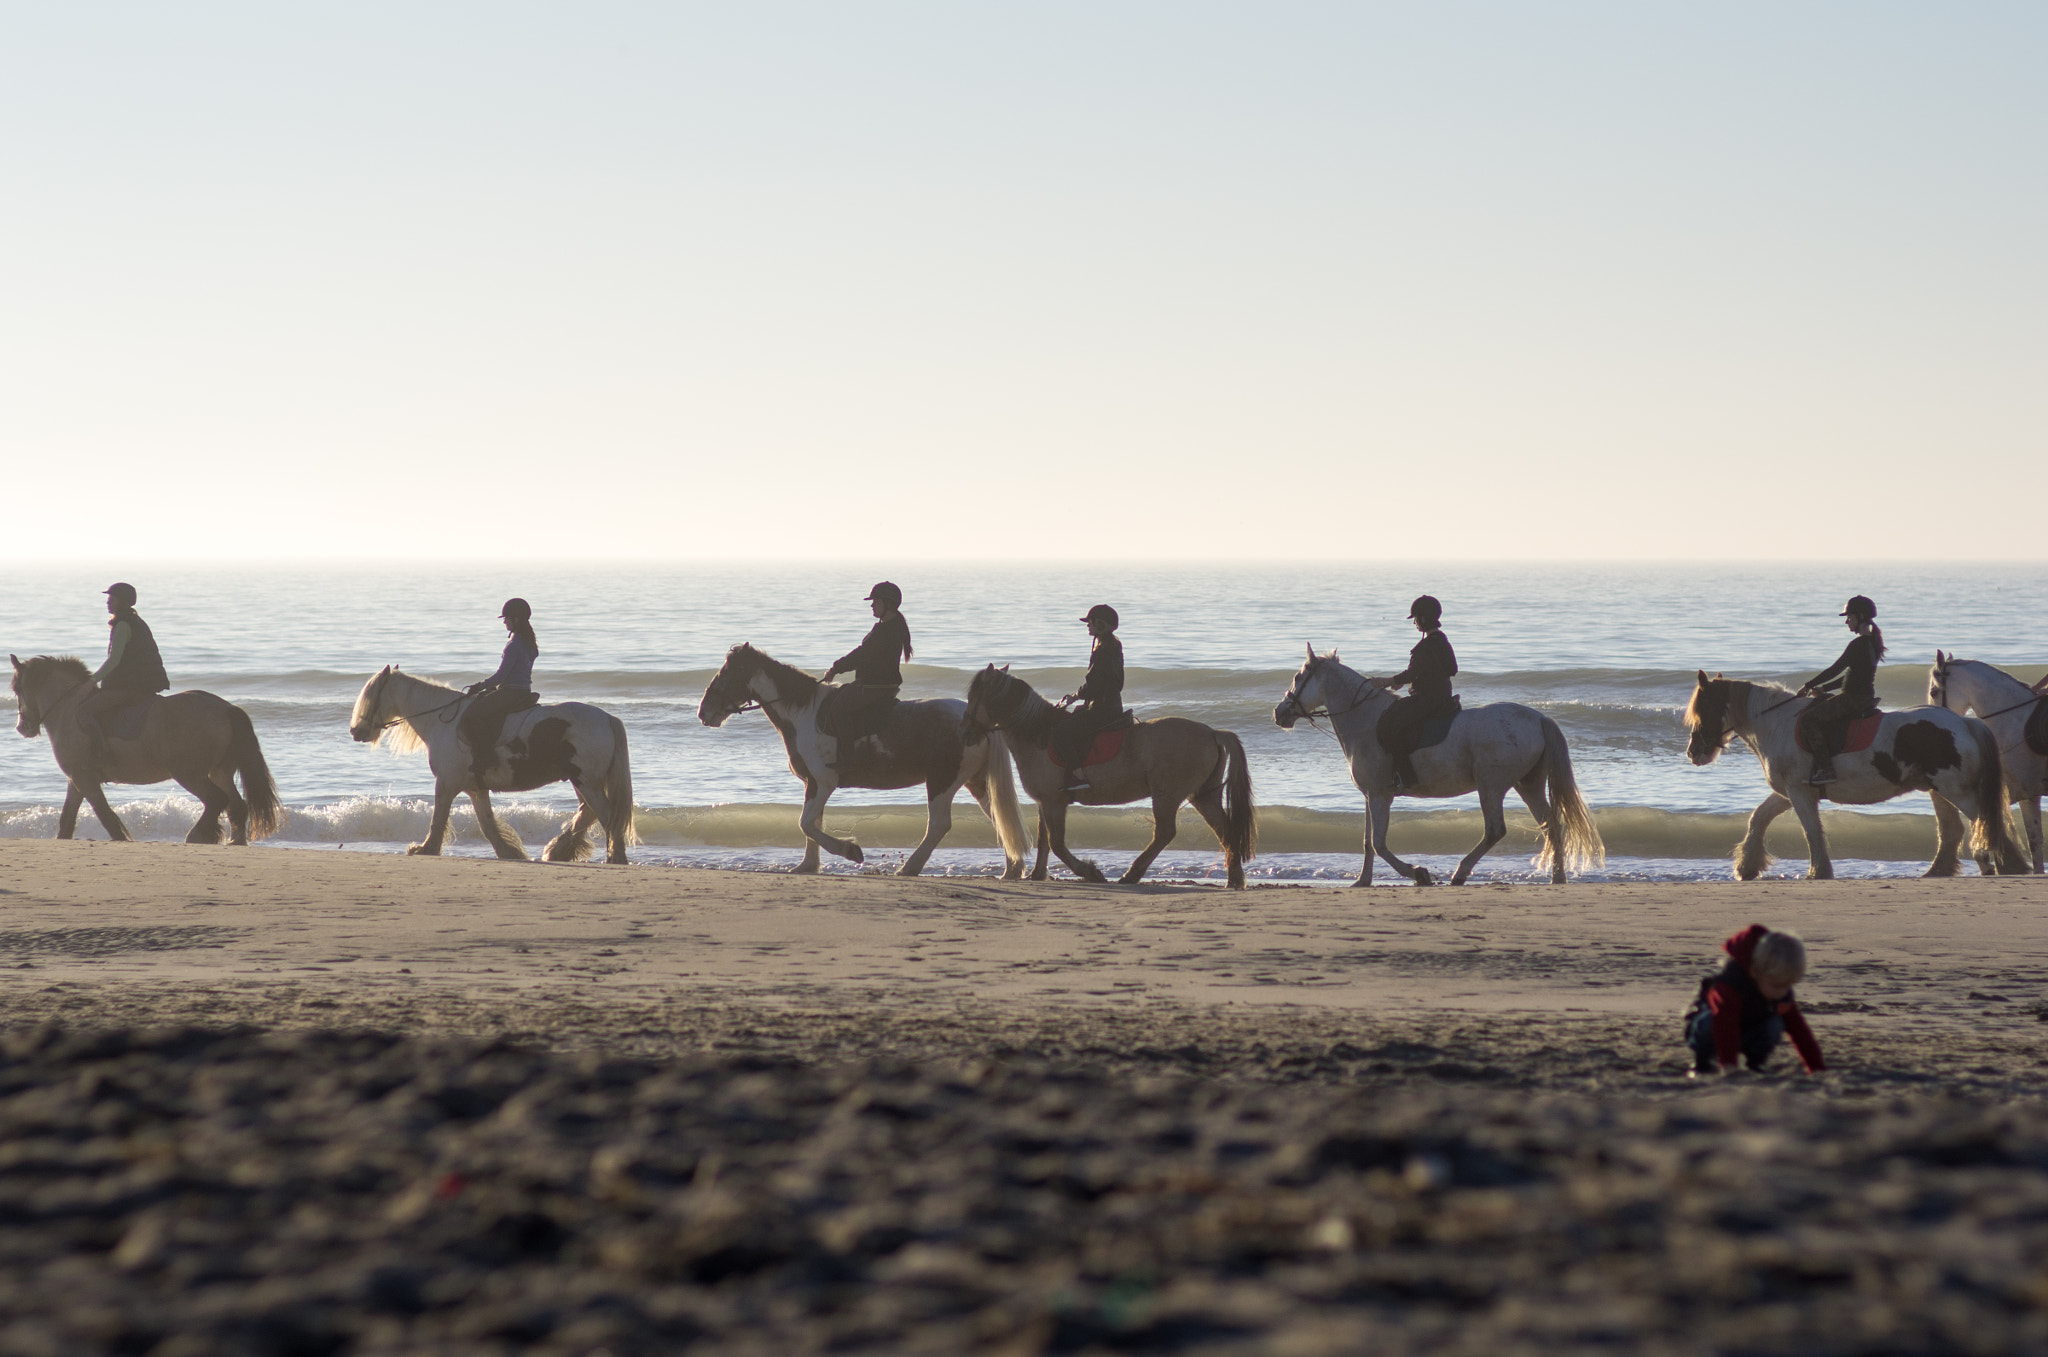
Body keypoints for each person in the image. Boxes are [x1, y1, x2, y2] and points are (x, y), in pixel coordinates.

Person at [1684, 924, 1826, 1076]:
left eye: (1788, 985)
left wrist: (1817, 1068)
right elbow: (1724, 1025)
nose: (1783, 992)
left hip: (1749, 1029)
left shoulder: (1780, 992)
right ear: (1754, 972)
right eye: (1777, 986)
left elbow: (1800, 1031)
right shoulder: (1730, 987)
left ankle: (1755, 1063)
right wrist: (1729, 1067)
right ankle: (1703, 1062)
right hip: (1714, 1027)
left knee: (1775, 1025)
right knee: (1708, 1024)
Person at [76, 582, 171, 767]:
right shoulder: (135, 621)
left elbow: (114, 660)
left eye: (112, 598)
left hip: (130, 688)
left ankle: (102, 755)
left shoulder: (123, 625)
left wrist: (91, 682)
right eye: (108, 598)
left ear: (123, 601)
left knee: (83, 711)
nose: (108, 602)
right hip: (141, 685)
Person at [1797, 595, 1885, 786]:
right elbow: (1851, 675)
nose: (1846, 621)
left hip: (1852, 698)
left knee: (1809, 719)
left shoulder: (1858, 644)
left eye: (1849, 617)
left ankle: (1825, 769)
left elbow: (1835, 669)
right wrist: (1824, 688)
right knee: (1822, 702)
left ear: (1860, 616)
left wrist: (1808, 685)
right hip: (1862, 696)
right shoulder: (1872, 643)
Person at [822, 582, 913, 763]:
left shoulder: (887, 630)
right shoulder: (886, 626)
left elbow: (862, 655)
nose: (872, 605)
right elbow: (863, 653)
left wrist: (836, 668)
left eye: (876, 601)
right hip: (875, 684)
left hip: (876, 686)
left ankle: (847, 760)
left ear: (887, 604)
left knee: (838, 709)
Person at [1377, 595, 1459, 791]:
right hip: (1443, 696)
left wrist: (1387, 681)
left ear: (1423, 619)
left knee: (1392, 723)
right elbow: (1451, 669)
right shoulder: (1442, 641)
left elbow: (1414, 672)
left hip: (1427, 699)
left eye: (1415, 618)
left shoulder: (1426, 646)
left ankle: (1405, 777)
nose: (1414, 622)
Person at [461, 598, 541, 782]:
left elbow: (501, 676)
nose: (504, 621)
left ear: (517, 620)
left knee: (474, 714)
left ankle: (486, 757)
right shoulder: (529, 643)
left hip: (511, 692)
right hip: (524, 690)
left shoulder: (514, 645)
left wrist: (478, 686)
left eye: (507, 618)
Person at [1052, 604, 1125, 792]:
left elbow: (1094, 685)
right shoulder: (1113, 644)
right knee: (1075, 716)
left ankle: (1078, 778)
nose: (1087, 625)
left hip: (1101, 709)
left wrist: (1074, 696)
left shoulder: (1102, 650)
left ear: (1100, 624)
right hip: (1110, 706)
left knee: (1060, 732)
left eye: (1090, 622)